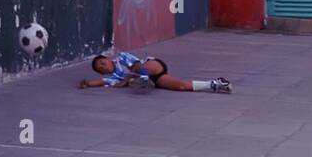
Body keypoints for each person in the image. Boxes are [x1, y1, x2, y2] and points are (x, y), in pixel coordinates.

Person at [78, 52, 231, 93]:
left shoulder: (121, 57)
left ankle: (143, 79)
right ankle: (216, 84)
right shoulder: (113, 78)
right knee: (181, 86)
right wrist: (87, 83)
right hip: (157, 78)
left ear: (107, 58)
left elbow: (136, 64)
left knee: (139, 69)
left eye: (102, 63)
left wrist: (128, 79)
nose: (104, 67)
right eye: (101, 69)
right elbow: (101, 82)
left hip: (152, 66)